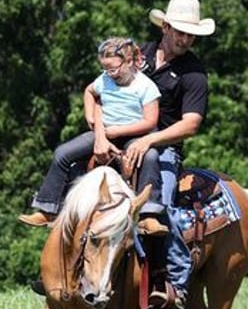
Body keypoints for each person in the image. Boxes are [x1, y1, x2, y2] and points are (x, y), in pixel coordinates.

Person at [117, 0, 216, 309]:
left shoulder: (193, 73)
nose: (186, 40)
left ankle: (178, 282)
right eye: (181, 32)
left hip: (164, 151)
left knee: (160, 208)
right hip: (123, 141)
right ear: (166, 27)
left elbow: (191, 124)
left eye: (191, 35)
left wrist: (149, 140)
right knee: (81, 186)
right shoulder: (139, 55)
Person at [18, 36, 168, 235]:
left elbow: (150, 121)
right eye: (105, 69)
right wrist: (91, 116)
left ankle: (149, 214)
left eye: (114, 69)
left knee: (150, 157)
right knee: (63, 153)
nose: (110, 74)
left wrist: (118, 131)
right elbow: (90, 92)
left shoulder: (145, 86)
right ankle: (48, 208)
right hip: (104, 132)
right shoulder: (105, 79)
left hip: (135, 134)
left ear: (130, 62)